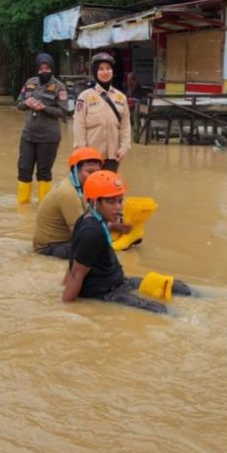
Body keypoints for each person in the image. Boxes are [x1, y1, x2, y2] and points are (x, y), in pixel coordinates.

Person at [61, 170, 193, 313]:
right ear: (94, 202)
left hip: (119, 283)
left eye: (120, 200)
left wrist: (62, 286)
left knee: (177, 287)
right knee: (163, 311)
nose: (118, 207)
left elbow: (75, 260)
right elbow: (76, 273)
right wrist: (67, 310)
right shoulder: (93, 232)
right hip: (106, 292)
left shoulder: (88, 218)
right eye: (110, 201)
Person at [33, 146, 133, 258]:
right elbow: (83, 233)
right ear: (75, 170)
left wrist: (113, 223)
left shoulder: (80, 187)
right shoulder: (68, 193)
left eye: (97, 172)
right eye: (89, 172)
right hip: (49, 247)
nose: (94, 177)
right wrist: (113, 226)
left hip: (65, 239)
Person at [16, 52, 69, 204]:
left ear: (52, 68)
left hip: (49, 137)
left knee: (44, 173)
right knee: (24, 170)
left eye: (47, 68)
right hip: (28, 135)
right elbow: (19, 104)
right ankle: (23, 208)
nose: (44, 71)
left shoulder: (59, 87)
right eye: (41, 68)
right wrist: (27, 103)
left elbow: (63, 112)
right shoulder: (30, 82)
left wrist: (43, 107)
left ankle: (43, 208)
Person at [73, 52, 132, 171]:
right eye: (101, 69)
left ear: (113, 71)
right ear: (95, 72)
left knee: (110, 188)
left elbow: (125, 126)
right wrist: (83, 151)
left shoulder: (121, 97)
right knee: (90, 188)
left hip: (113, 156)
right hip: (91, 156)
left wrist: (124, 148)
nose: (105, 72)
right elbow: (79, 125)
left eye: (108, 68)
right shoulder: (85, 97)